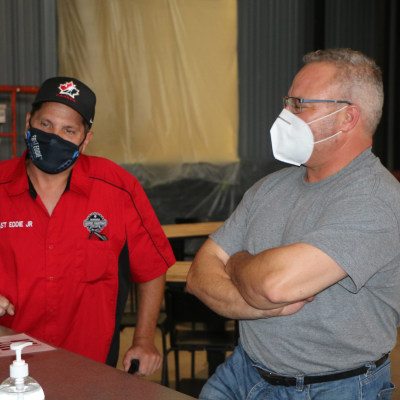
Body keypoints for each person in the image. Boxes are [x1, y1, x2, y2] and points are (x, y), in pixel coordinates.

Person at [186, 48, 400, 399]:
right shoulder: (270, 188)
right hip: (243, 372)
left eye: (300, 105)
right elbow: (199, 275)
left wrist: (237, 262)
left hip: (334, 388)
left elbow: (275, 286)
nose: (285, 115)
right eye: (287, 103)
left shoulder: (376, 199)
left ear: (347, 118)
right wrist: (255, 304)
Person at [0, 77, 175, 376]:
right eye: (45, 124)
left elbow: (152, 267)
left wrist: (144, 340)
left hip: (90, 371)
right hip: (10, 368)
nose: (54, 137)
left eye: (68, 130)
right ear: (29, 122)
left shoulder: (118, 189)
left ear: (86, 139)